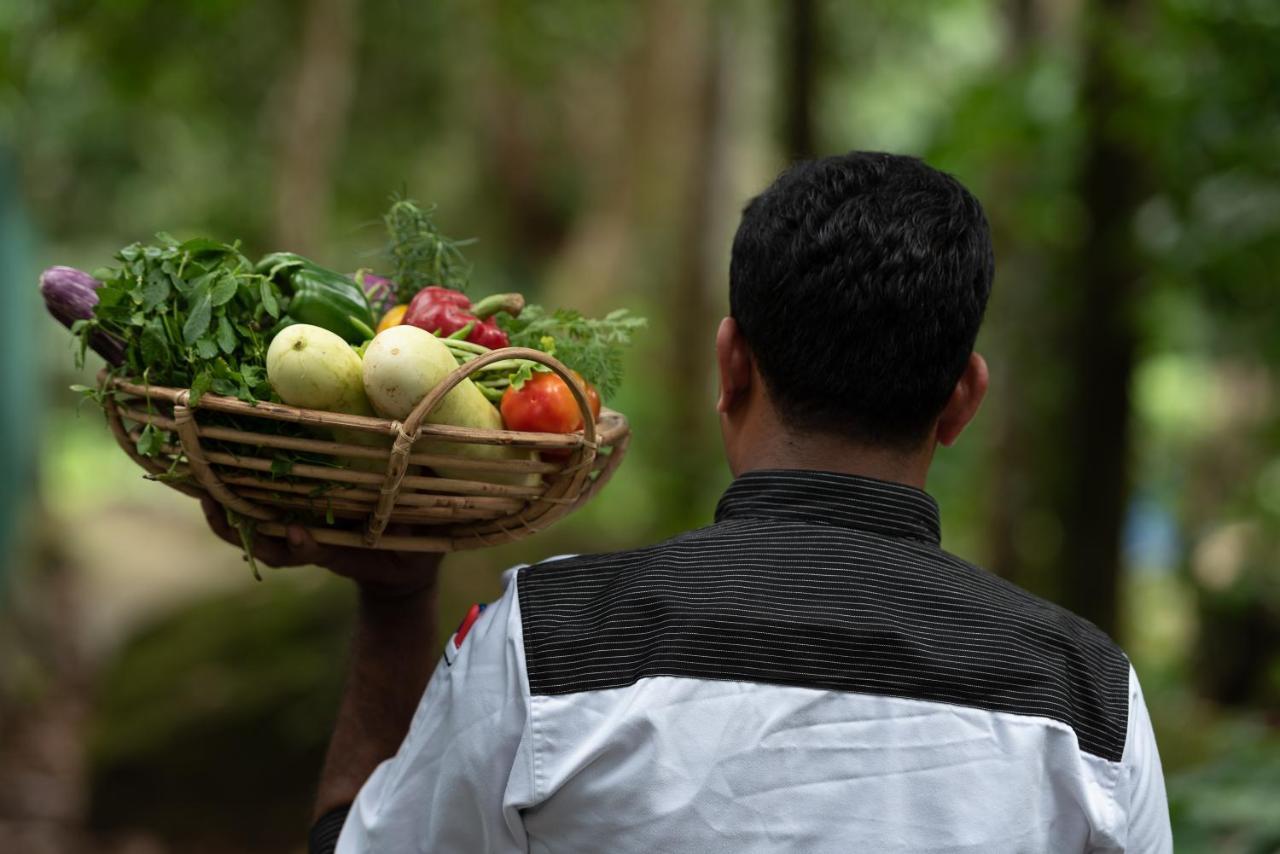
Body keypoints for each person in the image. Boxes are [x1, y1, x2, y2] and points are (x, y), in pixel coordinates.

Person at [205, 151, 1172, 853]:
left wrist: (395, 597)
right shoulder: (1087, 704)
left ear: (730, 364)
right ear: (963, 400)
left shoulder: (544, 646)